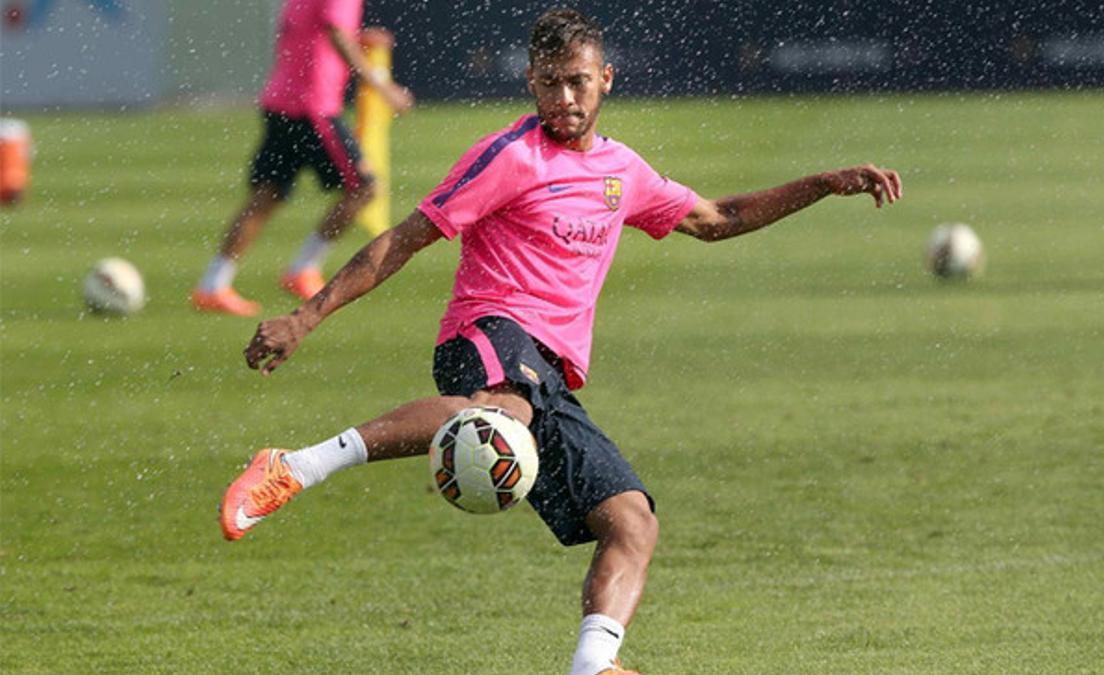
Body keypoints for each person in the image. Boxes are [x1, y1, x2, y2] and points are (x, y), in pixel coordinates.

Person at [219, 8, 902, 674]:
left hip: (548, 371)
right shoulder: (509, 157)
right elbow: (404, 237)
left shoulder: (622, 172)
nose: (565, 96)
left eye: (578, 81)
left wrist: (821, 184)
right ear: (532, 83)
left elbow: (718, 218)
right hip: (485, 331)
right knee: (501, 413)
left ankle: (593, 663)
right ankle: (296, 465)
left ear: (606, 78)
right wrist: (304, 318)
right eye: (551, 82)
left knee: (632, 521)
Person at [192, 0, 415, 316]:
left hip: (281, 100)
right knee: (364, 188)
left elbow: (311, 32)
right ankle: (303, 269)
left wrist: (358, 38)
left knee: (266, 195)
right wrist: (382, 86)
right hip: (313, 106)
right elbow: (335, 33)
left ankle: (213, 284)